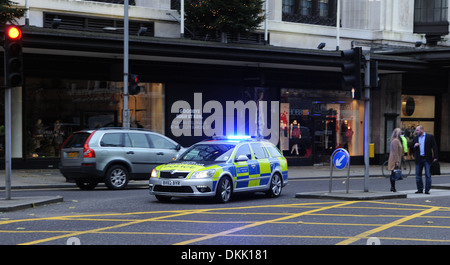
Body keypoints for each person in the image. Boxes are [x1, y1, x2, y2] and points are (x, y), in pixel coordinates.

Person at [413, 126, 438, 194]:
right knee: (418, 175)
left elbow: (434, 147)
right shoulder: (415, 138)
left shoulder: (430, 137)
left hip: (427, 159)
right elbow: (412, 148)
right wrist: (415, 146)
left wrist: (435, 157)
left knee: (428, 174)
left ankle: (427, 189)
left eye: (417, 130)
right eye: (416, 130)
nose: (416, 132)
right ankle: (420, 189)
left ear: (422, 130)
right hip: (419, 159)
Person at [387, 128, 403, 192]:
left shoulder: (396, 140)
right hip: (394, 159)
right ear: (397, 133)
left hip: (395, 158)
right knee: (393, 173)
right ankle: (393, 187)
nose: (401, 134)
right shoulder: (395, 141)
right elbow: (395, 152)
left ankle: (393, 187)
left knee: (393, 173)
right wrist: (397, 161)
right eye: (400, 132)